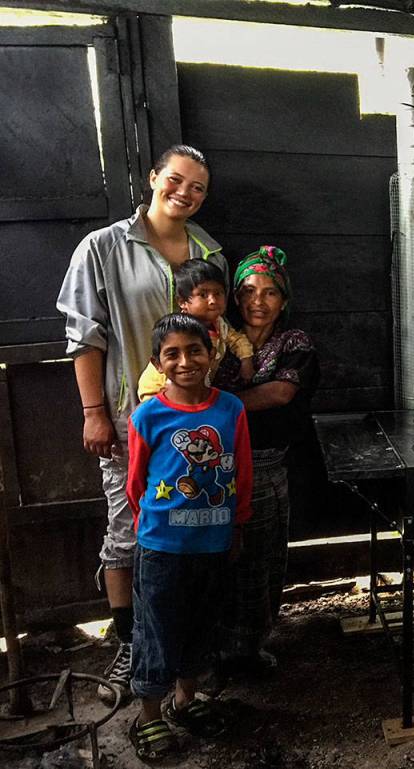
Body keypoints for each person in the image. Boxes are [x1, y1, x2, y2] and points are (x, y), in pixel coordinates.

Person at [56, 145, 227, 703]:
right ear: (154, 178)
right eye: (176, 180)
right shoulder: (103, 248)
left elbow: (216, 331)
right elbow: (85, 336)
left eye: (198, 187)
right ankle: (130, 643)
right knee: (128, 532)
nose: (186, 192)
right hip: (131, 420)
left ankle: (182, 657)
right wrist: (94, 413)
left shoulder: (209, 250)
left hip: (195, 423)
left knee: (185, 532)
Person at [125, 314, 252, 759]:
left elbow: (243, 473)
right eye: (172, 354)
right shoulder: (148, 414)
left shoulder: (230, 409)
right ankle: (149, 716)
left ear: (212, 353)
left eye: (194, 350)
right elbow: (136, 484)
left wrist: (235, 526)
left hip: (214, 545)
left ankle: (185, 701)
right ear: (157, 364)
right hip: (161, 549)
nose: (185, 361)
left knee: (202, 625)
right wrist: (156, 530)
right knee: (156, 630)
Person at [213, 245, 319, 672]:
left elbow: (281, 393)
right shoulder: (215, 337)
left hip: (265, 468)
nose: (258, 301)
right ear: (235, 297)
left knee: (260, 559)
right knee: (216, 559)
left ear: (285, 299)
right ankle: (213, 648)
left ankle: (248, 648)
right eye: (249, 291)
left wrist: (212, 404)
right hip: (211, 469)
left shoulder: (296, 344)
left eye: (270, 292)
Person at [137, 260, 254, 401]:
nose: (212, 300)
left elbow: (237, 340)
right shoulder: (180, 330)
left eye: (218, 293)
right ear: (182, 302)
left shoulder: (219, 324)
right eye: (203, 295)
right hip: (159, 392)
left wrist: (246, 360)